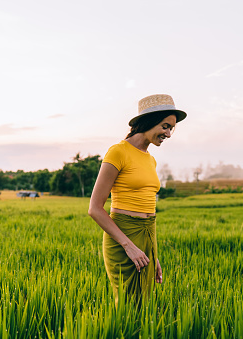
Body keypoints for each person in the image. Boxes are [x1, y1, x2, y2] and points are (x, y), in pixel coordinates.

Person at [88, 94, 187, 303]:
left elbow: (147, 205)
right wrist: (128, 245)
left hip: (149, 233)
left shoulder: (151, 159)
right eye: (165, 126)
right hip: (123, 234)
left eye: (171, 129)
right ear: (150, 121)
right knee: (127, 304)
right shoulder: (118, 152)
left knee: (144, 304)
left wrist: (153, 253)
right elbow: (95, 208)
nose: (168, 134)